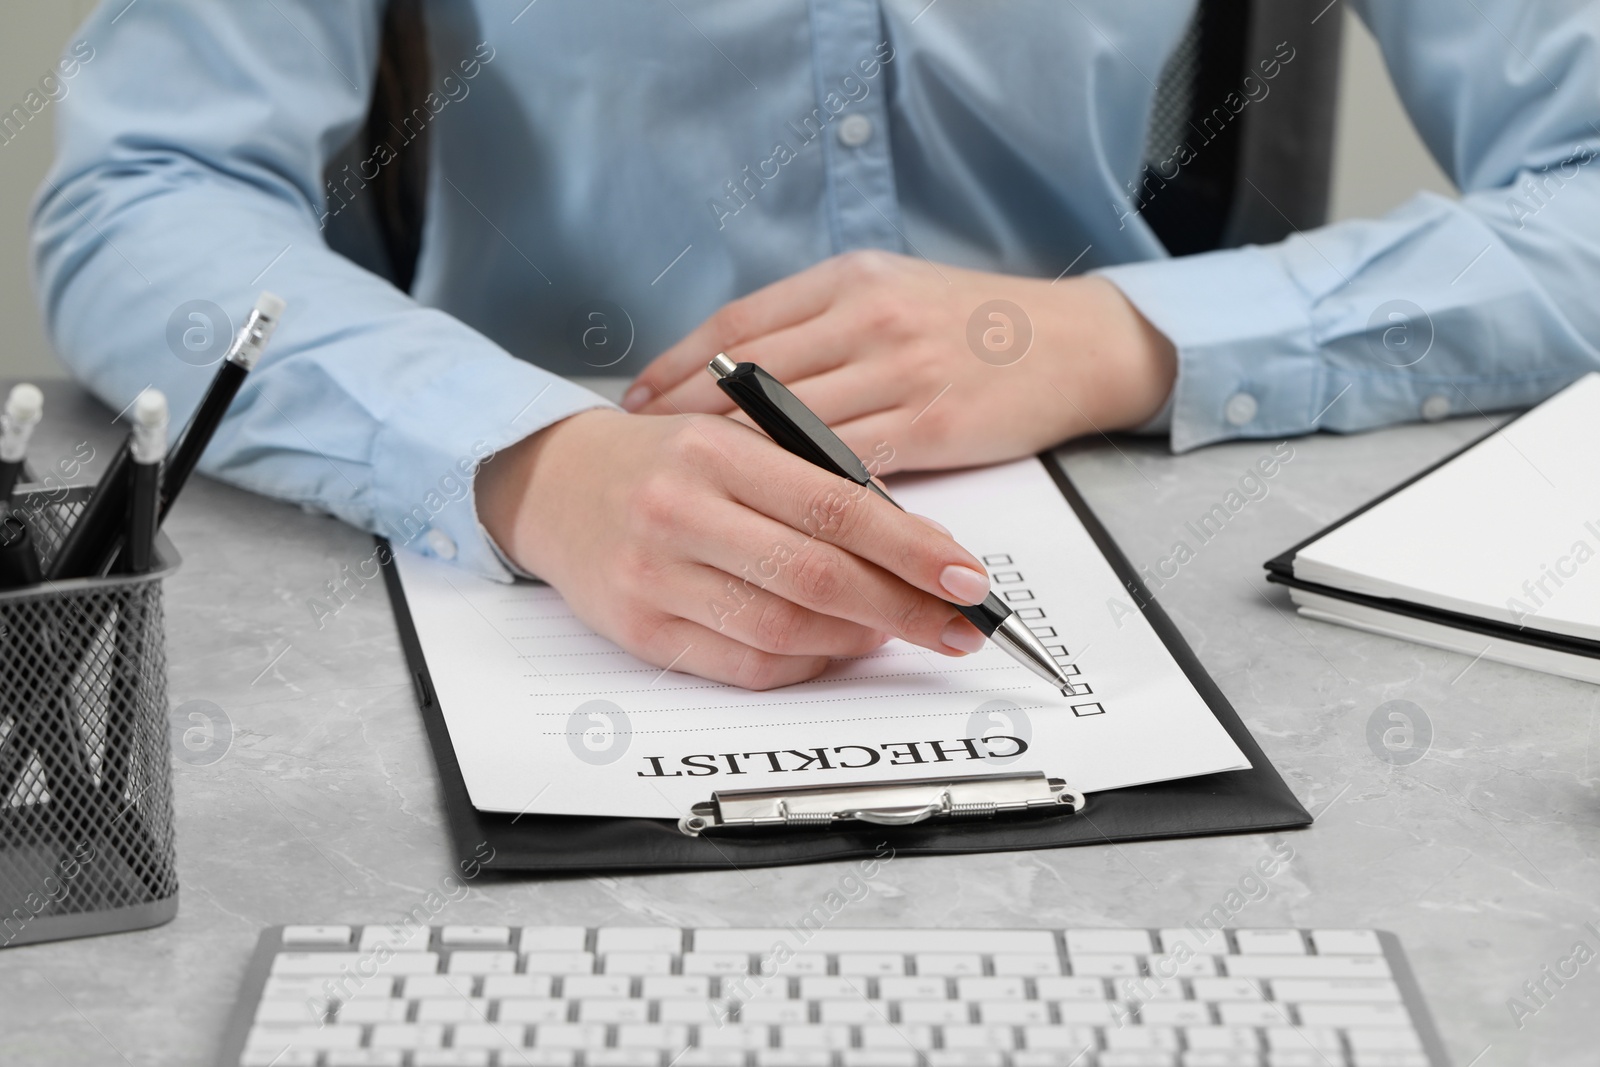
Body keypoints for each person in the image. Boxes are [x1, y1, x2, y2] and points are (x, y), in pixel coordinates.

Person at [32, 1, 1600, 689]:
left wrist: (1129, 331)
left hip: (1129, 535)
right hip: (503, 569)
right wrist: (517, 461)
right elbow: (144, 190)